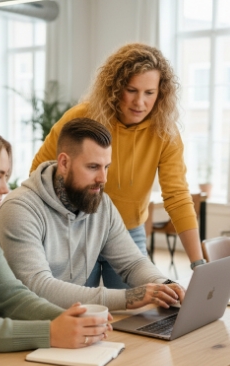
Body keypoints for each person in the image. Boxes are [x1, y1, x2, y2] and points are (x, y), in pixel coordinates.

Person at [30, 43, 205, 289]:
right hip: (78, 231)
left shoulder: (166, 132)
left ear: (161, 93)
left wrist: (198, 263)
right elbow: (40, 172)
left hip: (128, 232)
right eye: (131, 90)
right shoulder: (81, 117)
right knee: (78, 311)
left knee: (134, 313)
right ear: (114, 88)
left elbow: (177, 196)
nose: (140, 102)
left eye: (149, 92)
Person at [0, 122, 111, 352]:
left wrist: (72, 320)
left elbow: (11, 296)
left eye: (6, 176)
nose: (5, 189)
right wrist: (50, 333)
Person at [0, 118, 185, 311]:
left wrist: (165, 285)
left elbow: (133, 263)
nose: (103, 179)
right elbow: (38, 287)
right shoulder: (19, 209)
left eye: (106, 167)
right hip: (26, 327)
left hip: (75, 322)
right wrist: (130, 297)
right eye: (93, 167)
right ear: (64, 163)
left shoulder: (101, 204)